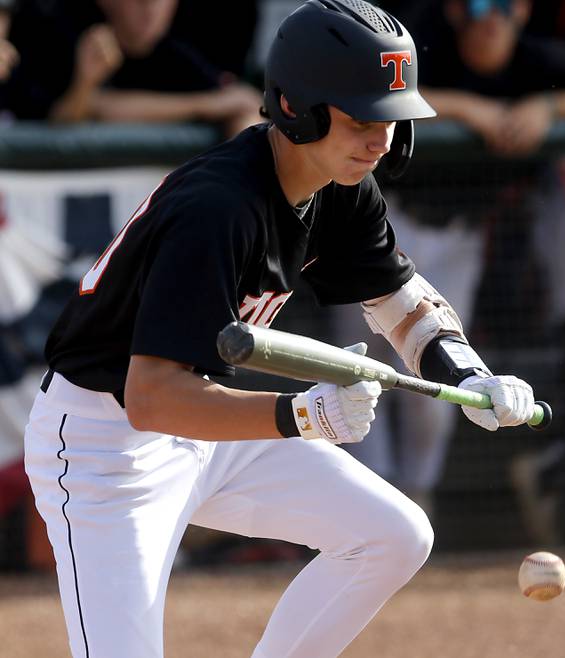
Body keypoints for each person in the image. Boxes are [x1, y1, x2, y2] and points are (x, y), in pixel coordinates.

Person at [23, 2, 537, 657]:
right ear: (297, 109)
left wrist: (469, 370)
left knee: (394, 535)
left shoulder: (342, 184)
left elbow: (402, 303)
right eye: (361, 119)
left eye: (390, 120)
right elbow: (150, 398)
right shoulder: (218, 210)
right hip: (104, 447)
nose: (380, 140)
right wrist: (302, 415)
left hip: (204, 426)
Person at [330, 0, 565, 517]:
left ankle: (417, 499)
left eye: (505, 7)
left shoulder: (536, 59)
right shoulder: (421, 37)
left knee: (435, 385)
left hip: (459, 235)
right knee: (358, 375)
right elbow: (372, 90)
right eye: (480, 6)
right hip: (382, 220)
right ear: (457, 10)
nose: (492, 19)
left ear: (524, 12)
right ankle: (364, 506)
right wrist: (467, 107)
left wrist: (547, 108)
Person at [7, 0, 261, 136]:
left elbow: (242, 105)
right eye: (141, 0)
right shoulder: (60, 30)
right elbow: (69, 118)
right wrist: (204, 106)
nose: (151, 11)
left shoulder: (183, 49)